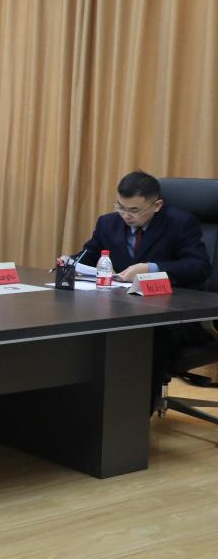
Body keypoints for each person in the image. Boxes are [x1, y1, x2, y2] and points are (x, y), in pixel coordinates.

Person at [67, 170, 212, 406]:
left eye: (134, 210)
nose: (125, 215)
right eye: (120, 207)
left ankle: (138, 410)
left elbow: (199, 267)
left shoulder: (180, 223)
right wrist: (69, 263)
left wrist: (151, 268)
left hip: (174, 314)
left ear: (157, 205)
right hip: (122, 307)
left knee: (146, 336)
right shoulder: (108, 223)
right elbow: (89, 256)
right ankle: (91, 406)